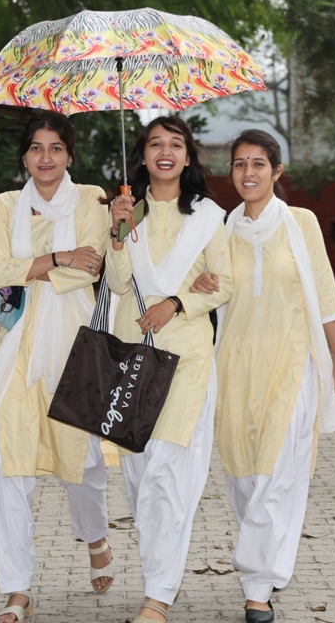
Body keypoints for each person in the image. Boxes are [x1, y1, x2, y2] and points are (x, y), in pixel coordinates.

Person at [0, 113, 113, 623]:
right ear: (24, 156)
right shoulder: (3, 205)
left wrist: (34, 268)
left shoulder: (92, 199)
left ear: (70, 155)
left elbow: (91, 269)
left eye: (56, 147)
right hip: (17, 348)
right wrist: (59, 255)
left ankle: (95, 536)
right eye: (36, 148)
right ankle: (17, 589)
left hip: (77, 345)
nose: (46, 157)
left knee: (85, 461)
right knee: (10, 464)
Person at [215, 130, 335, 623]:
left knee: (277, 474)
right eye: (239, 164)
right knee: (243, 475)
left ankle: (257, 585)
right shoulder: (220, 228)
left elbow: (324, 291)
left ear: (276, 171)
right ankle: (266, 560)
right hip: (234, 364)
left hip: (293, 361)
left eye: (258, 163)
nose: (248, 173)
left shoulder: (301, 222)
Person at [105, 116, 233, 623]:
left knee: (168, 474)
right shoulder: (127, 209)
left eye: (175, 144)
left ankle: (158, 596)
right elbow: (118, 283)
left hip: (187, 358)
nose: (165, 151)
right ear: (142, 155)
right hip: (131, 353)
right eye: (155, 143)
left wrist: (177, 302)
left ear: (188, 156)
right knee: (140, 477)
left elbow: (224, 283)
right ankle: (156, 577)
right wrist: (117, 234)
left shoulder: (208, 215)